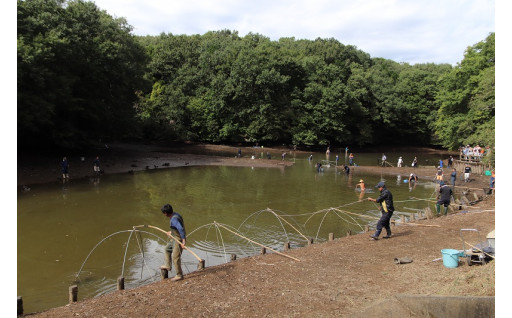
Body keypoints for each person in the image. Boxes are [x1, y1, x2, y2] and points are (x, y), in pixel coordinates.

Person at [161, 203, 186, 281]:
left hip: (178, 240)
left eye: (164, 213)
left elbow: (181, 229)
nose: (164, 215)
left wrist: (183, 241)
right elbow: (176, 228)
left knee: (175, 258)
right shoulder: (175, 214)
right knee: (167, 249)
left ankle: (179, 275)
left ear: (166, 213)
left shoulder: (174, 219)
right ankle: (168, 265)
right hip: (174, 238)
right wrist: (171, 232)